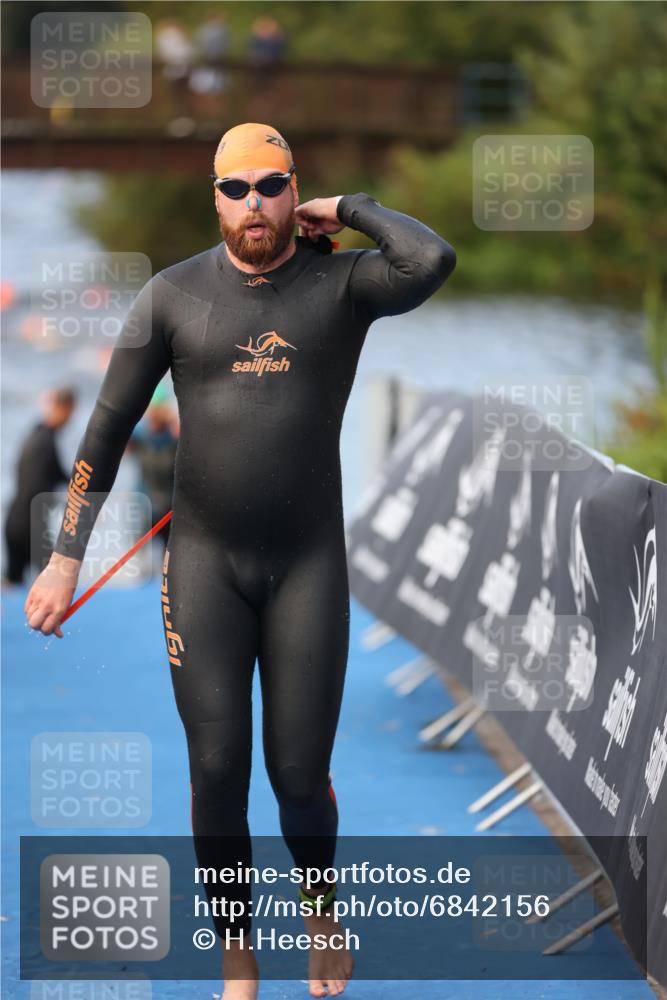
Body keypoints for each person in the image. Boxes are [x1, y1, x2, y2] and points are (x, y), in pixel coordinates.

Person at [24, 122, 456, 999]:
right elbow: (104, 434)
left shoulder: (341, 283)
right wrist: (66, 558)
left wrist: (351, 209)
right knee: (217, 769)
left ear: (295, 191)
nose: (252, 203)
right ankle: (235, 950)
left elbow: (430, 260)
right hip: (205, 570)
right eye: (234, 188)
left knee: (298, 776)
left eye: (270, 185)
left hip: (307, 567)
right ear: (213, 198)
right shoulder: (173, 296)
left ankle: (323, 908)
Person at [4, 387, 76, 585]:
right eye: (71, 411)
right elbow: (38, 484)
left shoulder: (36, 434)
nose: (70, 419)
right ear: (63, 409)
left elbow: (59, 475)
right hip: (30, 523)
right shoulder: (45, 441)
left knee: (14, 584)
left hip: (16, 518)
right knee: (53, 584)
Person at [126, 383, 178, 555]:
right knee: (137, 554)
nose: (155, 415)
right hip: (144, 503)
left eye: (159, 410)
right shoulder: (140, 435)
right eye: (152, 411)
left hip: (168, 507)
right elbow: (119, 444)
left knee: (168, 556)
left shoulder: (174, 437)